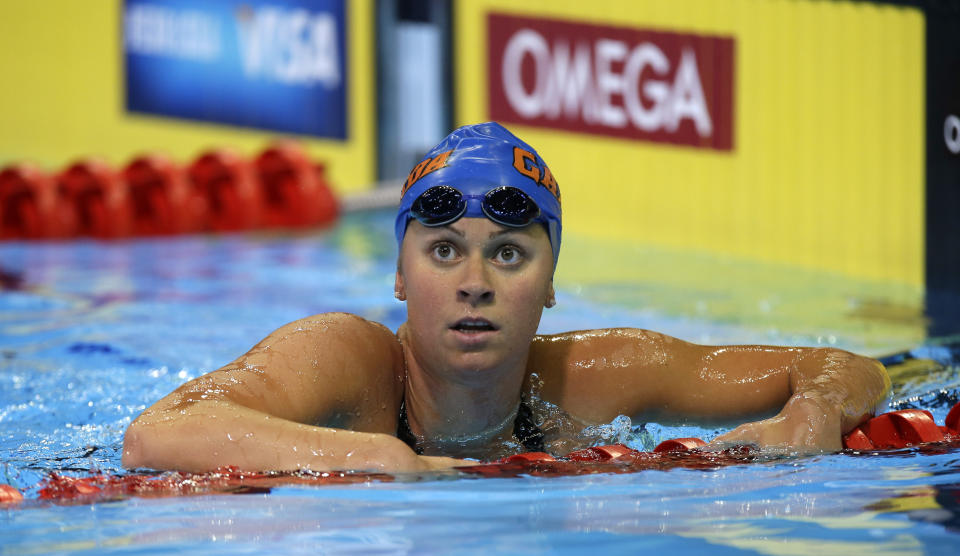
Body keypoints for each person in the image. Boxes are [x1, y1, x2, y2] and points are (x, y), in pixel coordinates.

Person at [121, 122, 891, 473]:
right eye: (444, 250)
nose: (475, 282)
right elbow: (155, 437)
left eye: (511, 255)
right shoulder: (346, 359)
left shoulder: (592, 378)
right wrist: (382, 458)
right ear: (399, 275)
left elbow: (846, 367)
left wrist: (817, 415)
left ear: (550, 285)